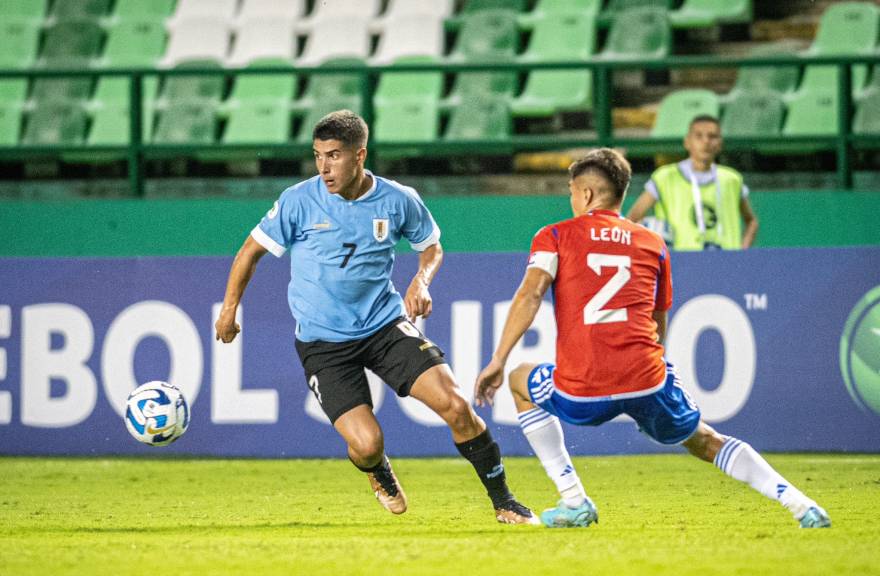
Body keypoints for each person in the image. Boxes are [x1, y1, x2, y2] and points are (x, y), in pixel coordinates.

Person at [474, 148, 830, 529]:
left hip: (583, 387)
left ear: (588, 195)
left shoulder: (555, 235)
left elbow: (530, 294)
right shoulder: (651, 243)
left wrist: (498, 358)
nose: (571, 199)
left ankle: (574, 499)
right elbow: (658, 321)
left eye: (572, 191)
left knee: (518, 379)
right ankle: (801, 505)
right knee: (704, 439)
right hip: (647, 378)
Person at [215, 110, 537, 525]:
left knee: (457, 405)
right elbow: (250, 252)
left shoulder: (398, 199)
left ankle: (505, 501)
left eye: (333, 155)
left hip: (385, 327)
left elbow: (431, 246)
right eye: (317, 156)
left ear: (360, 154)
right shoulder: (298, 200)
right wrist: (229, 309)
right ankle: (377, 469)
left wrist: (421, 281)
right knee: (367, 445)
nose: (324, 167)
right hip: (323, 343)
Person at [626, 115, 759, 251]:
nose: (706, 141)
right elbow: (632, 219)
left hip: (727, 262)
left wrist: (743, 251)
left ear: (720, 143)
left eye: (712, 136)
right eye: (699, 136)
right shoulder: (665, 177)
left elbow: (752, 221)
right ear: (687, 142)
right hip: (681, 263)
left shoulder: (732, 179)